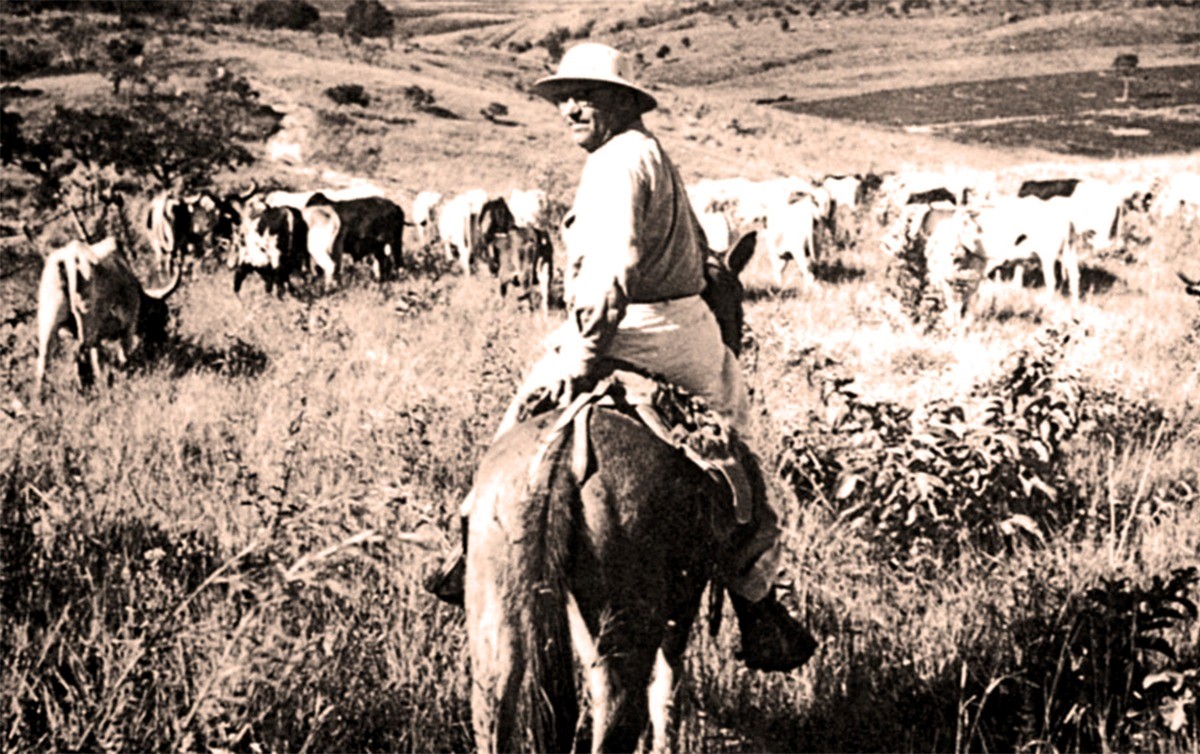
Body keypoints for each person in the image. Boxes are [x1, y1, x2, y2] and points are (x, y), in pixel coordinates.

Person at [425, 42, 815, 673]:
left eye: (587, 95)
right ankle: (757, 600)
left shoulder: (616, 163)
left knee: (516, 423)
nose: (571, 108)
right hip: (680, 332)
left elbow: (615, 266)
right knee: (737, 460)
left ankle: (472, 547)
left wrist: (582, 351)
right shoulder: (650, 155)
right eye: (564, 97)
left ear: (623, 102)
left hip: (622, 329)